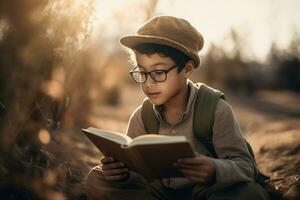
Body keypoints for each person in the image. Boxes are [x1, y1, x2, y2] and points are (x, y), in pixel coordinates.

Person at [86, 15, 270, 200]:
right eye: (142, 72)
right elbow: (136, 169)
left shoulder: (216, 110)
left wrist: (215, 170)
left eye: (158, 72)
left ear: (187, 69)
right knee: (97, 178)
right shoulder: (142, 117)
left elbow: (246, 166)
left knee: (250, 194)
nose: (149, 83)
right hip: (159, 193)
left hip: (207, 192)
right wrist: (119, 172)